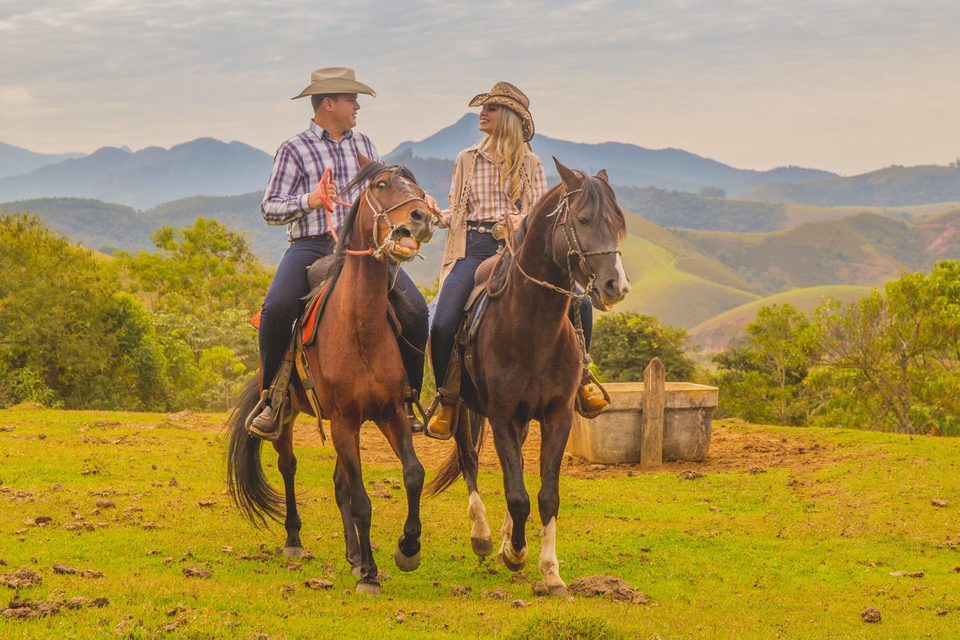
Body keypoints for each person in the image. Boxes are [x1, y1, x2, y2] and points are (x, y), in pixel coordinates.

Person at [249, 67, 435, 438]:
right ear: (328, 103)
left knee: (415, 310)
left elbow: (385, 193)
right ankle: (273, 399)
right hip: (310, 245)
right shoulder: (293, 149)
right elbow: (270, 208)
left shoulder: (365, 145)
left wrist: (414, 201)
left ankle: (407, 397)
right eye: (351, 99)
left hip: (365, 248)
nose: (357, 107)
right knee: (276, 309)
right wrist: (312, 199)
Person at [427, 81, 608, 438]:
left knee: (582, 303)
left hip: (520, 251)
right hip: (475, 248)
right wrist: (435, 214)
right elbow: (458, 211)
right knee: (443, 322)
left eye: (491, 109)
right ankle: (447, 398)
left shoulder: (532, 163)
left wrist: (521, 221)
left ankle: (582, 377)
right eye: (484, 108)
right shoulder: (466, 158)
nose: (483, 113)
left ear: (508, 117)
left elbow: (541, 212)